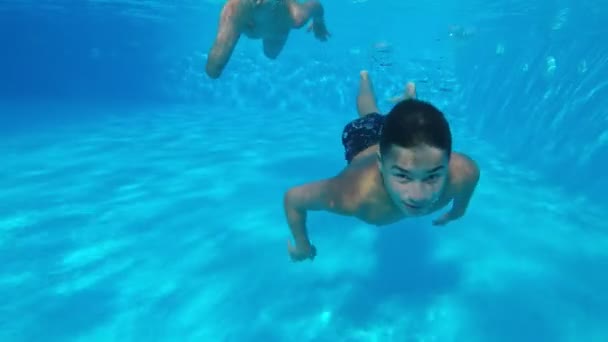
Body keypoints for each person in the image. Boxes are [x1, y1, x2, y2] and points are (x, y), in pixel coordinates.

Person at [284, 70, 480, 262]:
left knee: (412, 123)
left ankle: (409, 99)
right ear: (380, 164)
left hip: (398, 144)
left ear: (448, 164)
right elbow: (293, 199)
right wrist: (303, 245)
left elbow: (464, 193)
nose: (419, 196)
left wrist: (457, 212)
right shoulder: (352, 195)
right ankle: (364, 77)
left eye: (432, 176)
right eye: (403, 176)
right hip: (365, 141)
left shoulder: (465, 173)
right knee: (369, 112)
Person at [205, 0, 330, 79]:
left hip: (277, 30)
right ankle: (241, 30)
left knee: (271, 54)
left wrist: (319, 22)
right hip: (245, 20)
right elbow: (213, 68)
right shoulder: (234, 10)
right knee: (214, 68)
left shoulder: (295, 16)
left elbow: (316, 6)